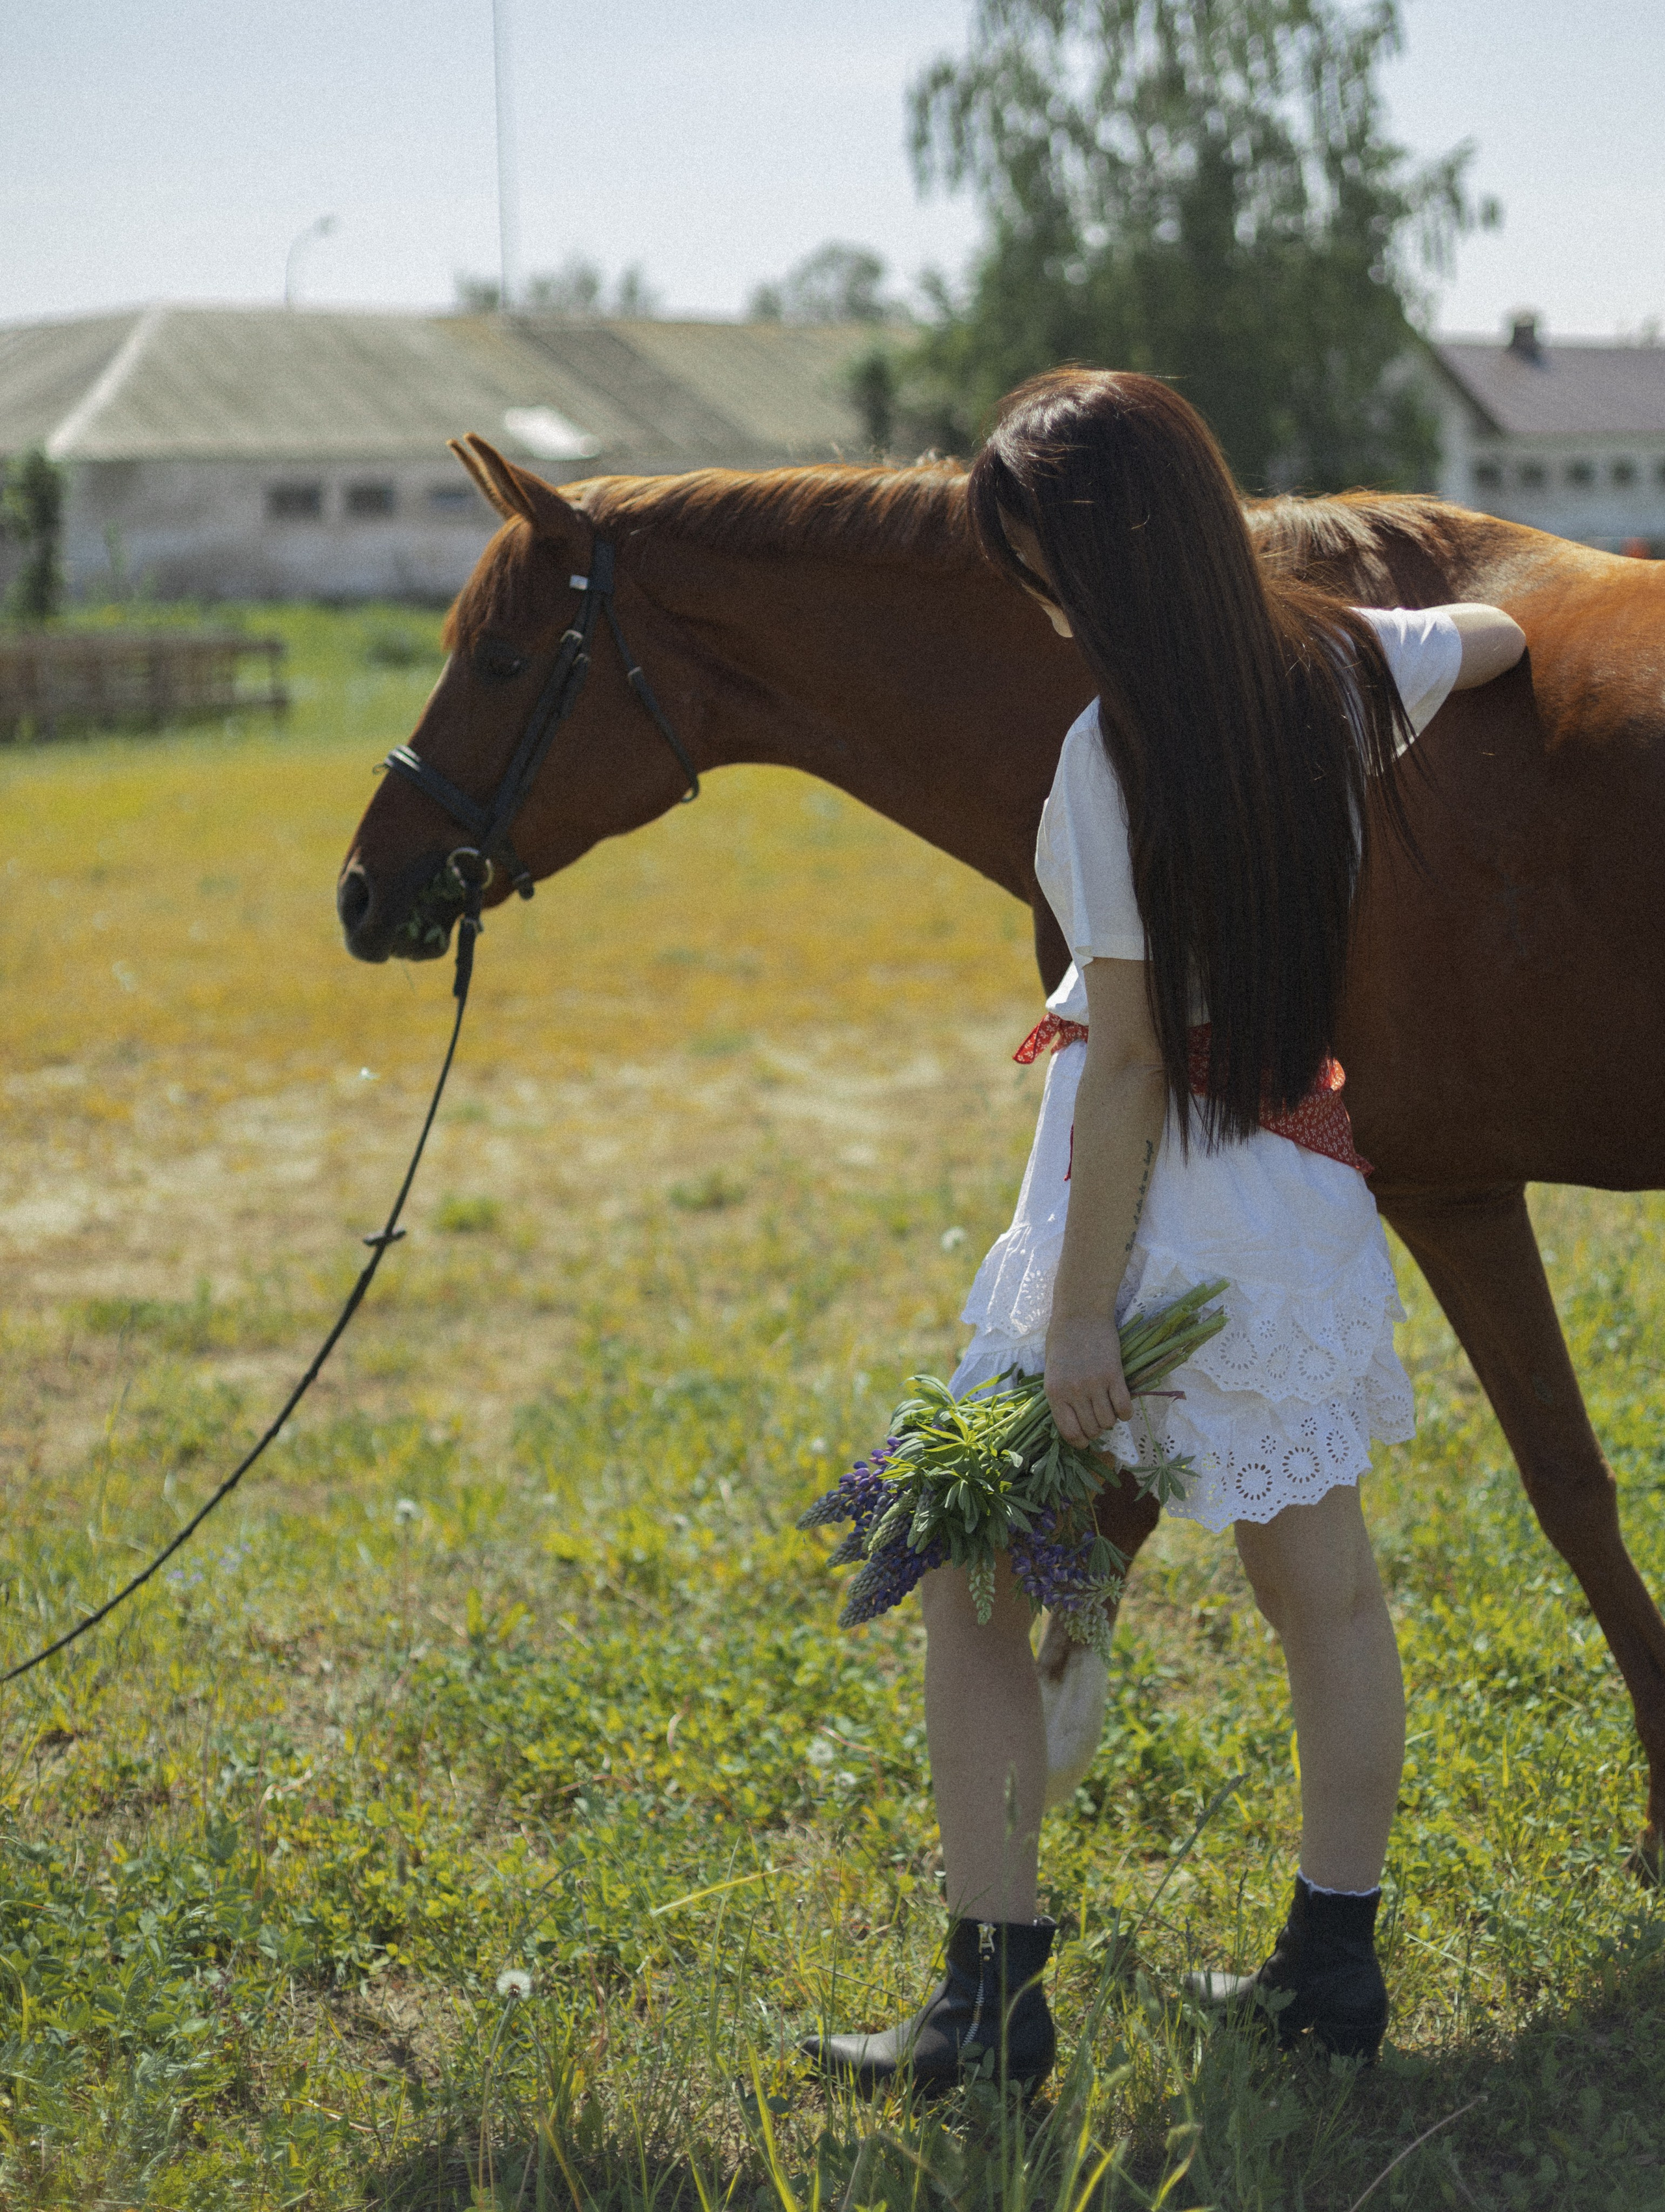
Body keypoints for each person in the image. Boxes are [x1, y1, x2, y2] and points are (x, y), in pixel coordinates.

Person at [804, 369, 1525, 2096]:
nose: (1035, 597)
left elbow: (1124, 1061)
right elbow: (1492, 634)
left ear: (1106, 566)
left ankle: (990, 2005)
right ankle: (1330, 1970)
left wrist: (1075, 1320)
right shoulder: (1348, 677)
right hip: (1302, 1210)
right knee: (1330, 1604)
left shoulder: (1110, 751)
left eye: (1039, 559)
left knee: (972, 1589)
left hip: (1144, 1222)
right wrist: (1356, 602)